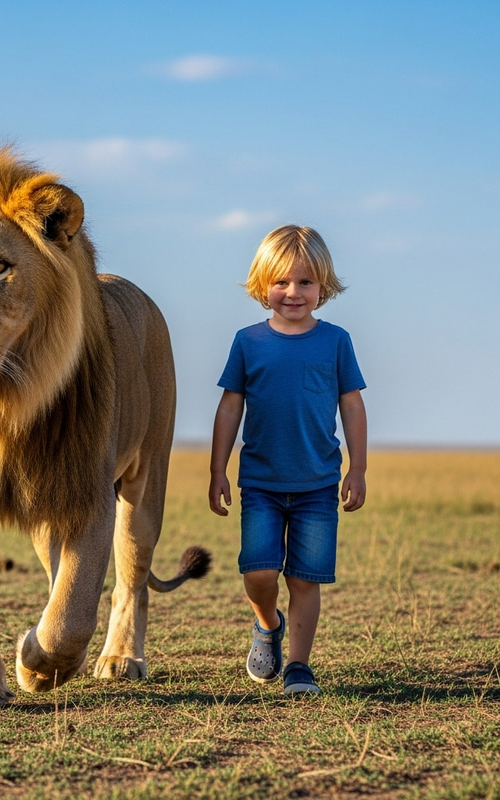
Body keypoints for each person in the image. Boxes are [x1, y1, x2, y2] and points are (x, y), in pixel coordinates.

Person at [208, 224, 367, 696]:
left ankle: (299, 666)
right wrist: (218, 469)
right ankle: (267, 623)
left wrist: (357, 467)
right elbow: (230, 405)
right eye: (281, 281)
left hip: (318, 483)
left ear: (323, 287)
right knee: (257, 573)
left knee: (304, 579)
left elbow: (352, 405)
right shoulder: (248, 341)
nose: (292, 292)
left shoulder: (335, 341)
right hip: (259, 482)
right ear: (262, 284)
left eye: (305, 282)